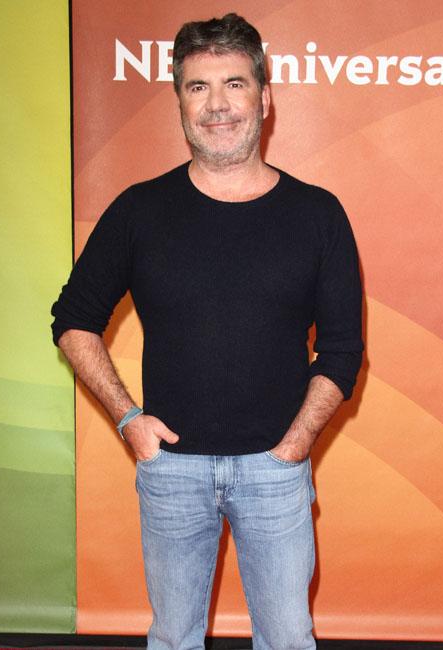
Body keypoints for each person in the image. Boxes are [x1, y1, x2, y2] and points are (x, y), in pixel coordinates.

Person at [51, 13, 363, 650]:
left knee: (287, 638)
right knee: (173, 638)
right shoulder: (139, 210)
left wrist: (295, 445)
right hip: (170, 471)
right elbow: (73, 320)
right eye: (198, 87)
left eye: (234, 84)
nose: (217, 104)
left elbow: (341, 350)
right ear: (180, 103)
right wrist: (128, 420)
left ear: (264, 99)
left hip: (276, 473)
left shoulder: (317, 214)